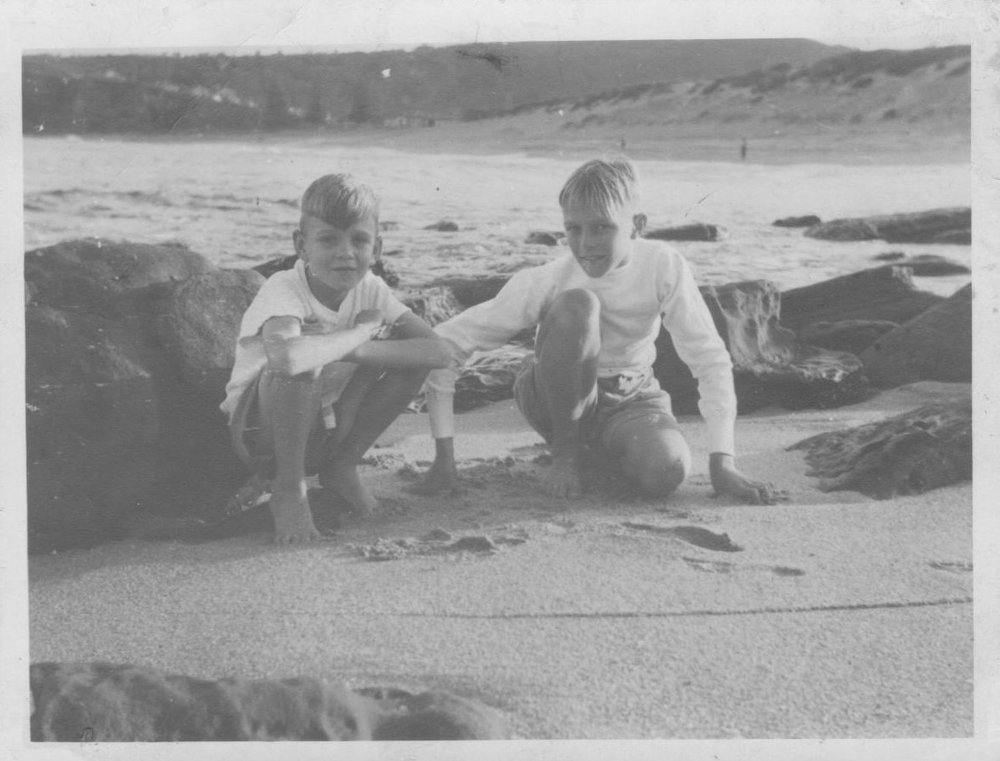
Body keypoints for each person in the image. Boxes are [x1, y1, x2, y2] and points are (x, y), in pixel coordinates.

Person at [418, 158, 779, 505]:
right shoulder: (550, 279)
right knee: (580, 305)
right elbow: (447, 344)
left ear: (637, 225)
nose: (586, 243)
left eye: (601, 227)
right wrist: (444, 454)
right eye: (573, 229)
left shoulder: (662, 265)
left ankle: (598, 452)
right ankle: (566, 454)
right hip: (554, 396)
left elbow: (708, 357)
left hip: (632, 396)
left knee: (667, 472)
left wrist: (722, 460)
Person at [221, 174, 452, 543]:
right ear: (301, 245)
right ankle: (289, 489)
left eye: (358, 240)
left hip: (326, 427)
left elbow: (439, 351)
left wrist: (354, 348)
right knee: (304, 362)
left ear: (376, 249)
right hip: (262, 436)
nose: (345, 252)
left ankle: (343, 467)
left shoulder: (371, 289)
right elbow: (287, 360)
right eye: (328, 239)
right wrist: (360, 331)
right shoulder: (284, 287)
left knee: (410, 359)